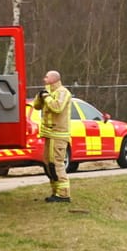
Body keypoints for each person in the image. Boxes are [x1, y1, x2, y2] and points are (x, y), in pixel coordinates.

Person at [33, 70, 74, 202]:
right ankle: (55, 192)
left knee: (56, 163)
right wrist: (40, 96)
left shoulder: (63, 92)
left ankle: (64, 194)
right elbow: (36, 106)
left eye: (46, 77)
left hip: (59, 134)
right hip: (49, 134)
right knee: (48, 164)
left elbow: (57, 107)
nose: (44, 79)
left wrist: (47, 97)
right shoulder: (48, 92)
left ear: (54, 79)